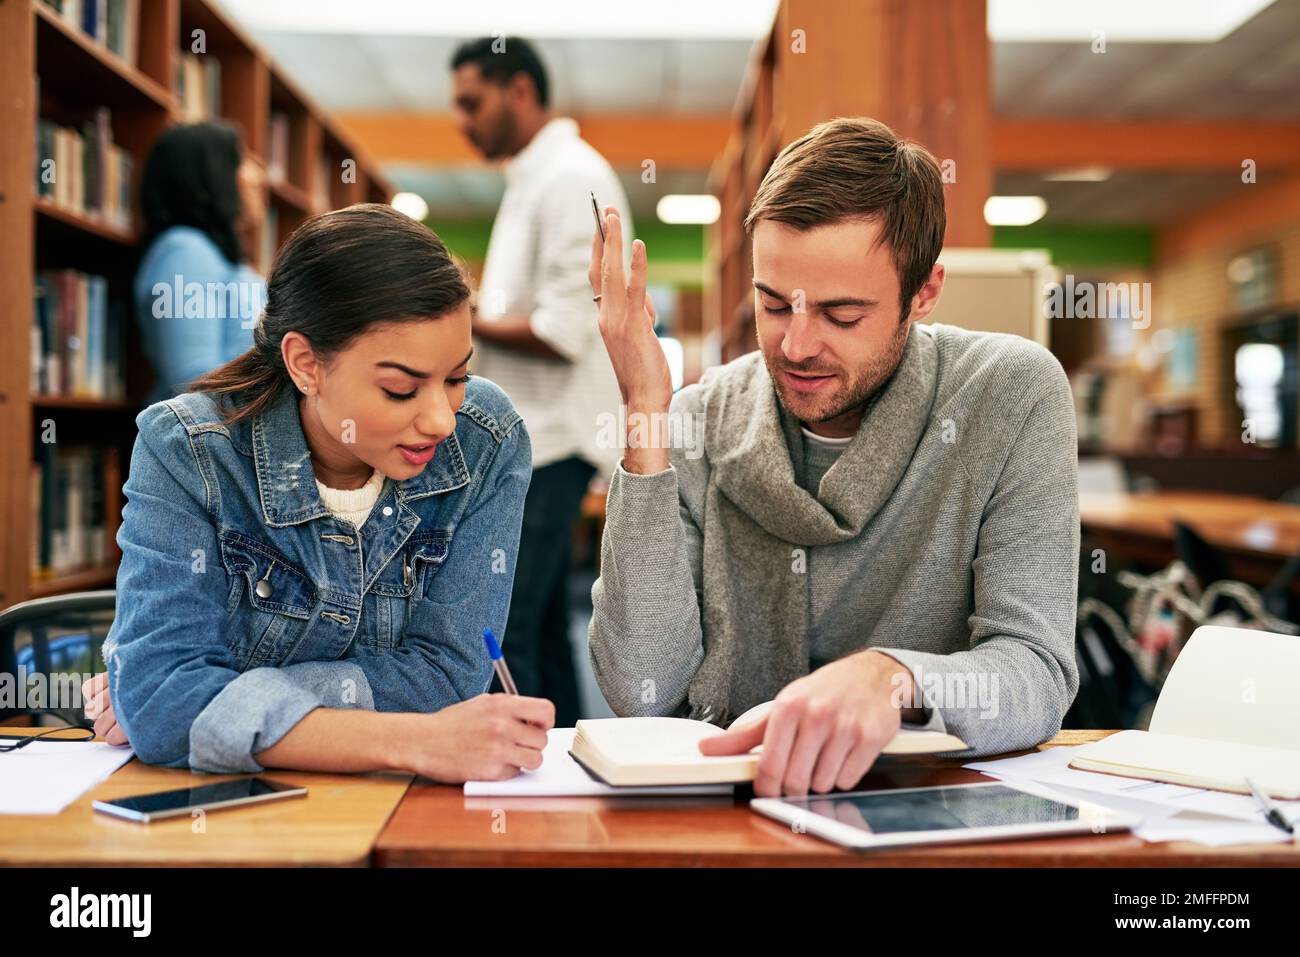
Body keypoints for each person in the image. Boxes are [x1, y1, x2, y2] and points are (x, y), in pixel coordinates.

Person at [587, 117, 1080, 797]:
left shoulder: (1010, 394)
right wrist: (645, 406)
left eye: (841, 315)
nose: (795, 346)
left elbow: (1036, 670)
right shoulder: (701, 418)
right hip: (735, 821)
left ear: (924, 293)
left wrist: (891, 678)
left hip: (930, 811)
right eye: (772, 305)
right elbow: (641, 691)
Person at [83, 203, 554, 779]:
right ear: (306, 364)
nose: (441, 419)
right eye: (401, 389)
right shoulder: (187, 448)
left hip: (398, 810)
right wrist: (412, 741)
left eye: (456, 377)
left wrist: (216, 701)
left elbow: (448, 678)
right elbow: (163, 700)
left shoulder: (487, 441)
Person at [450, 36, 633, 725]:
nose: (463, 120)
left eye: (473, 102)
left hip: (549, 441)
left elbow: (564, 328)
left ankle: (509, 783)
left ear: (518, 90)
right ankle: (561, 771)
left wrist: (459, 316)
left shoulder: (568, 177)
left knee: (505, 628)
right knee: (545, 627)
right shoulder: (534, 178)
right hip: (537, 439)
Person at [134, 121, 266, 405]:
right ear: (210, 174)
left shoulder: (214, 255)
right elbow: (193, 380)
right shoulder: (184, 251)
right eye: (242, 160)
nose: (257, 175)